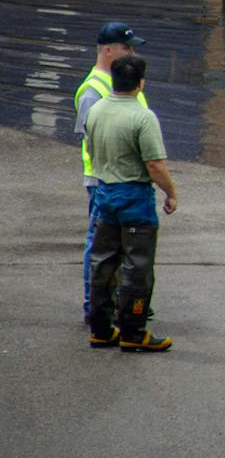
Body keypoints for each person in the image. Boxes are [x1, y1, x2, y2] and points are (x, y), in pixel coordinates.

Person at [83, 54, 177, 352]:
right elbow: (154, 164)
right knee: (137, 267)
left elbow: (89, 146)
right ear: (140, 83)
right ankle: (133, 332)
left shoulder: (96, 110)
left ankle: (100, 328)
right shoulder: (142, 117)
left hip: (104, 193)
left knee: (103, 263)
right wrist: (171, 193)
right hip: (134, 198)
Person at [74, 21, 146, 329]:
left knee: (116, 247)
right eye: (125, 47)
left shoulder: (120, 81)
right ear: (107, 50)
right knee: (100, 247)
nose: (130, 52)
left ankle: (113, 302)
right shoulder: (93, 91)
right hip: (103, 180)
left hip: (120, 177)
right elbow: (90, 138)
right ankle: (95, 308)